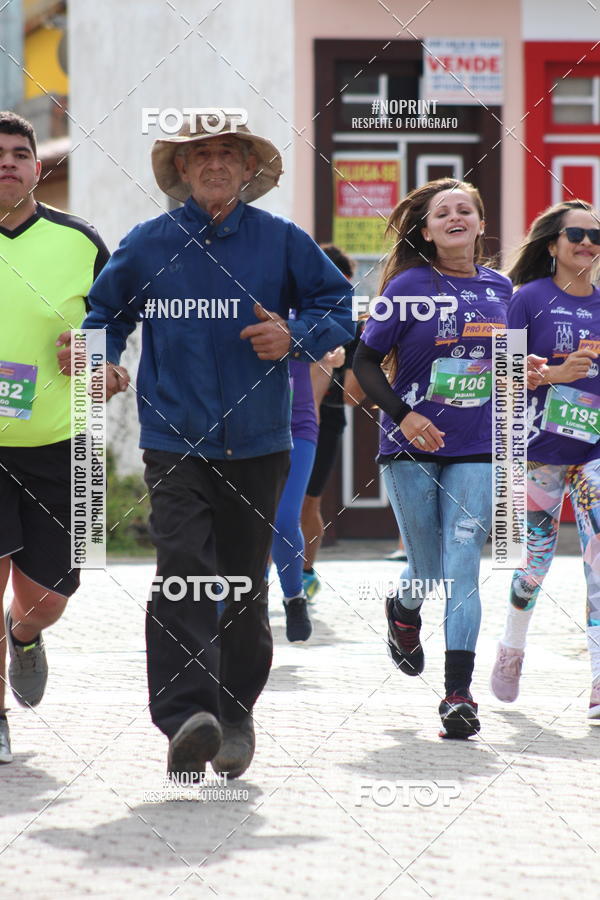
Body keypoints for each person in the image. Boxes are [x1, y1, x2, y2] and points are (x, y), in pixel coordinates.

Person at [79, 113, 354, 779]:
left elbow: (339, 305)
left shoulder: (281, 240)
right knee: (182, 568)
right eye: (199, 154)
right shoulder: (147, 243)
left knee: (241, 583)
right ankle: (186, 718)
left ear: (248, 168)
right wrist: (102, 362)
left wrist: (295, 336)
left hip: (261, 442)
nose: (215, 164)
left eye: (229, 153)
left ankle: (233, 715)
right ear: (181, 169)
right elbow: (104, 314)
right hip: (175, 439)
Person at [353, 178, 512, 738]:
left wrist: (530, 369)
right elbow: (365, 362)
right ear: (426, 232)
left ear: (480, 224)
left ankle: (458, 695)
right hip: (411, 446)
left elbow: (510, 363)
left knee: (463, 564)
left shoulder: (501, 289)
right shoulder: (408, 287)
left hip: (478, 445)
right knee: (427, 571)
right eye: (442, 213)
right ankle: (403, 611)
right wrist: (404, 416)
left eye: (465, 209)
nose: (455, 217)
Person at [0, 111, 109, 764]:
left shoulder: (81, 242)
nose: (7, 162)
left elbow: (114, 329)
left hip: (63, 444)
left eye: (19, 153)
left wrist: (95, 356)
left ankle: (24, 634)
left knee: (46, 599)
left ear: (38, 168)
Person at [490, 200, 600, 722]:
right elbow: (500, 375)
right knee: (533, 566)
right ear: (553, 244)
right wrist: (554, 375)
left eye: (596, 236)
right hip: (535, 454)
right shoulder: (527, 299)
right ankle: (511, 647)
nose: (588, 243)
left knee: (598, 563)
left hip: (593, 454)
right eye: (576, 234)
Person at [301, 245, 364, 599]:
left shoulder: (353, 326)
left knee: (309, 502)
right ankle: (257, 577)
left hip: (325, 420)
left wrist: (332, 365)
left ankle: (305, 574)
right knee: (269, 503)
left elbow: (352, 397)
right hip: (278, 416)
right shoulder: (293, 312)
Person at [271, 357, 318, 641]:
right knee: (244, 523)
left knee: (284, 521)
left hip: (296, 429)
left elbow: (332, 337)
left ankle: (294, 597)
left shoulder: (300, 329)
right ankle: (242, 604)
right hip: (238, 434)